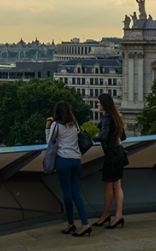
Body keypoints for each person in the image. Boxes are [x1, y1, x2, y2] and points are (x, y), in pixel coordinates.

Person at [46, 101, 91, 236]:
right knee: (76, 193)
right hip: (76, 160)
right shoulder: (74, 124)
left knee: (67, 193)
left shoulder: (56, 125)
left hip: (63, 161)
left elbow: (49, 143)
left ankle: (71, 223)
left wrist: (47, 127)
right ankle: (85, 223)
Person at [93, 93, 127, 228]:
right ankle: (118, 215)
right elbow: (123, 136)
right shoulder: (116, 116)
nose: (97, 104)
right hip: (119, 152)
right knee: (117, 186)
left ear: (104, 104)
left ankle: (105, 215)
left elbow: (104, 136)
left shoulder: (107, 117)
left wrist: (96, 137)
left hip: (111, 154)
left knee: (108, 187)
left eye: (99, 102)